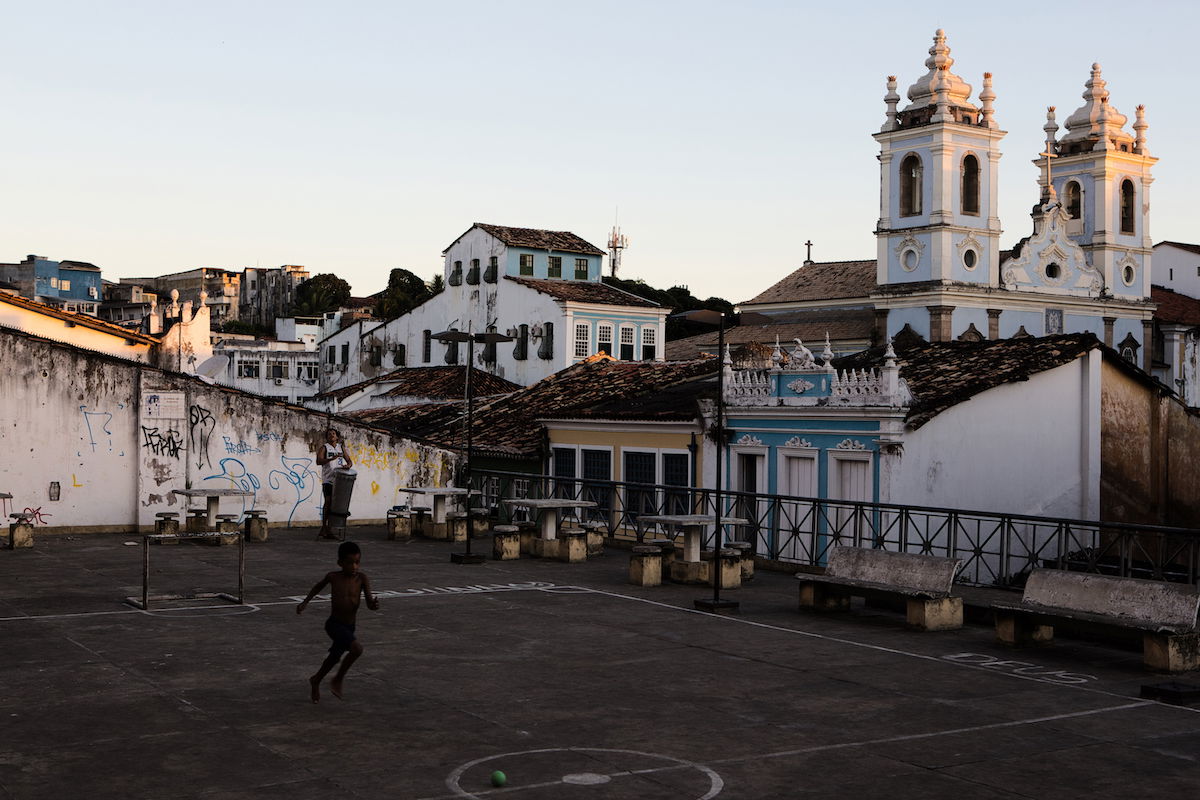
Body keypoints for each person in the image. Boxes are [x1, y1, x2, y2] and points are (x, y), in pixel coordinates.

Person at [297, 540, 379, 702]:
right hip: (334, 624)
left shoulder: (362, 579)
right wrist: (305, 602)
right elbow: (317, 587)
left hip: (350, 626)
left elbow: (369, 603)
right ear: (340, 563)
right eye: (350, 563)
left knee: (334, 657)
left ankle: (316, 680)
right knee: (357, 649)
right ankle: (338, 679)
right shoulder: (333, 577)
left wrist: (374, 605)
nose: (354, 567)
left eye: (357, 562)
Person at [316, 428, 353, 539]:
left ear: (337, 437)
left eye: (333, 434)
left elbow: (350, 461)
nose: (331, 435)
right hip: (328, 480)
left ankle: (330, 529)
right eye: (329, 434)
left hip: (339, 480)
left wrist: (348, 466)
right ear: (327, 437)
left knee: (336, 505)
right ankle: (324, 527)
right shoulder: (324, 447)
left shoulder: (341, 448)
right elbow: (318, 461)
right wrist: (331, 458)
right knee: (328, 502)